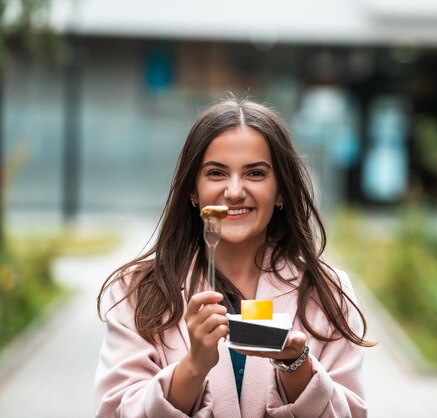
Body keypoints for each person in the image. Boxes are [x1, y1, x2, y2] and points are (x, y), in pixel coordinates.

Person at [94, 97, 373, 417]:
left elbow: (351, 412)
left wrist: (295, 364)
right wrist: (193, 368)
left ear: (280, 191)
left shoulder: (327, 292)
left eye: (255, 173)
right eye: (216, 173)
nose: (235, 191)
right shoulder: (139, 293)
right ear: (193, 191)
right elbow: (114, 411)